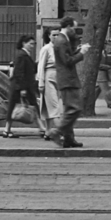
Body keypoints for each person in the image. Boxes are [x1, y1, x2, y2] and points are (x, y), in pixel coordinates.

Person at [48, 17, 85, 149]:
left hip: (67, 79)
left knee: (70, 109)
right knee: (75, 108)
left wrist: (78, 49)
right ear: (68, 27)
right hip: (67, 80)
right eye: (73, 28)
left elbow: (67, 57)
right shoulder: (62, 41)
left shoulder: (64, 40)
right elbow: (67, 61)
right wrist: (81, 54)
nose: (74, 31)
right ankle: (57, 131)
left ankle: (69, 139)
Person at [2, 36, 47, 139]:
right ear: (24, 43)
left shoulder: (24, 55)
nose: (32, 46)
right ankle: (42, 129)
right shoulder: (22, 55)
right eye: (30, 44)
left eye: (33, 44)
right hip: (21, 86)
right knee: (25, 107)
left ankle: (7, 130)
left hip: (21, 86)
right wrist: (22, 88)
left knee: (16, 107)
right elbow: (20, 72)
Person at [37, 26, 59, 138]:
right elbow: (41, 66)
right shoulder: (46, 48)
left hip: (59, 78)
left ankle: (48, 131)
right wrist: (40, 82)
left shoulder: (61, 48)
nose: (56, 37)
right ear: (49, 36)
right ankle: (60, 131)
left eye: (58, 34)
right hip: (48, 78)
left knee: (50, 106)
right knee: (53, 105)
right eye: (53, 35)